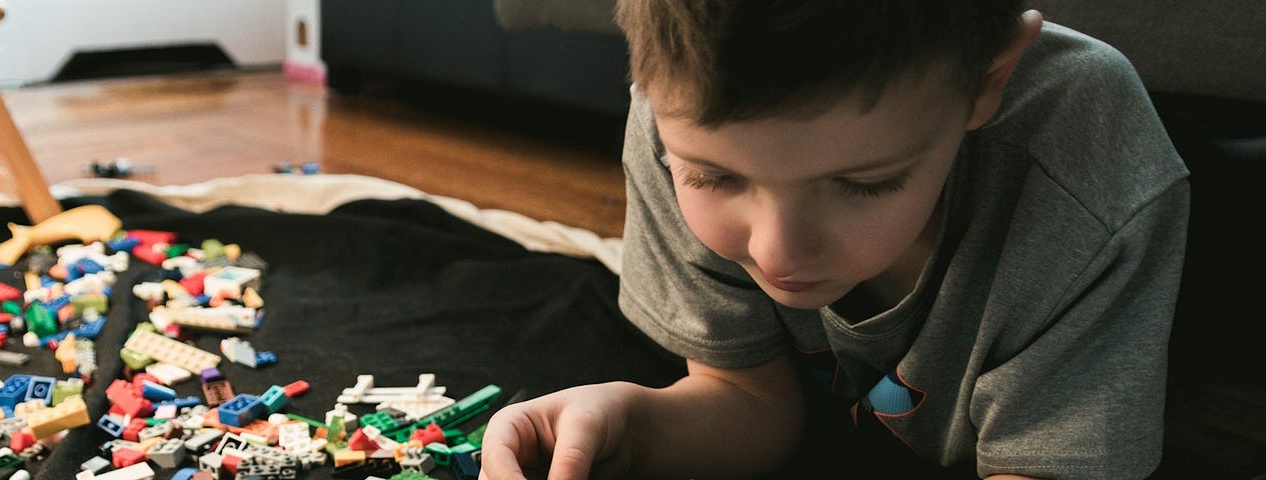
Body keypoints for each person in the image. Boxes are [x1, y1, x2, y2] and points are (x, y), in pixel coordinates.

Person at [481, 1, 1190, 479]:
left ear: (989, 79)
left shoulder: (1086, 162)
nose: (777, 255)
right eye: (714, 178)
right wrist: (628, 425)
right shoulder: (678, 101)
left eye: (865, 184)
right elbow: (749, 400)